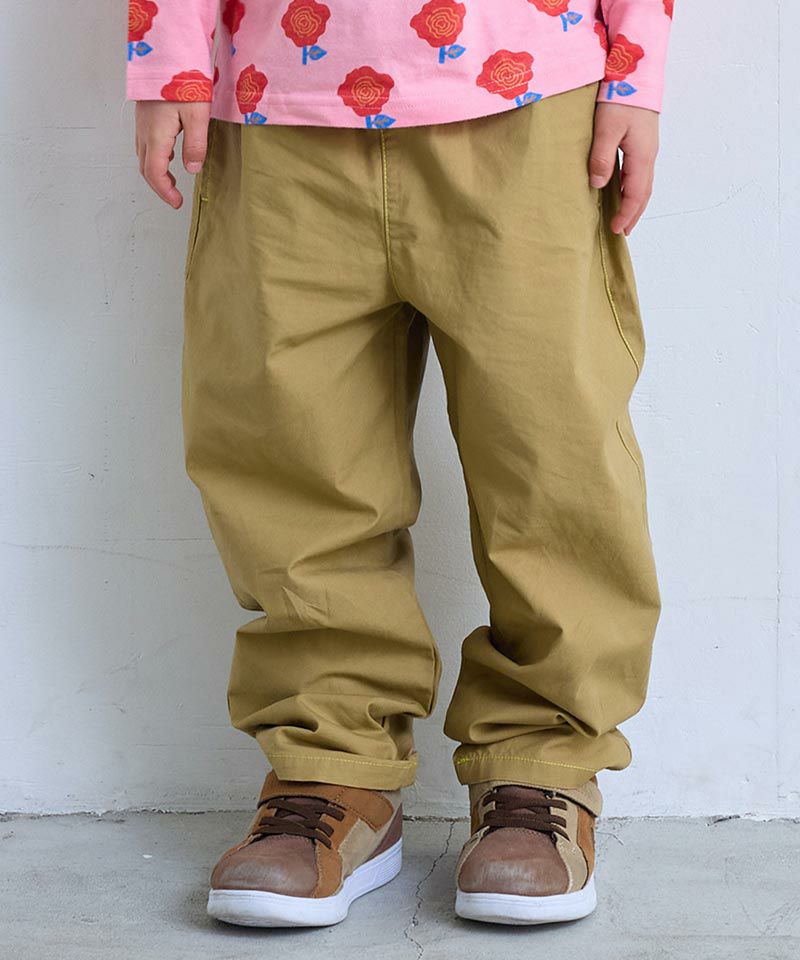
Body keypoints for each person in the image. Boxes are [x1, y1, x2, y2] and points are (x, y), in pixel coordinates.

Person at [128, 0, 671, 929]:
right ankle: (333, 767)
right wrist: (167, 54)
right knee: (291, 452)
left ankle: (543, 762)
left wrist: (635, 74)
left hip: (528, 99)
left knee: (552, 450)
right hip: (277, 101)